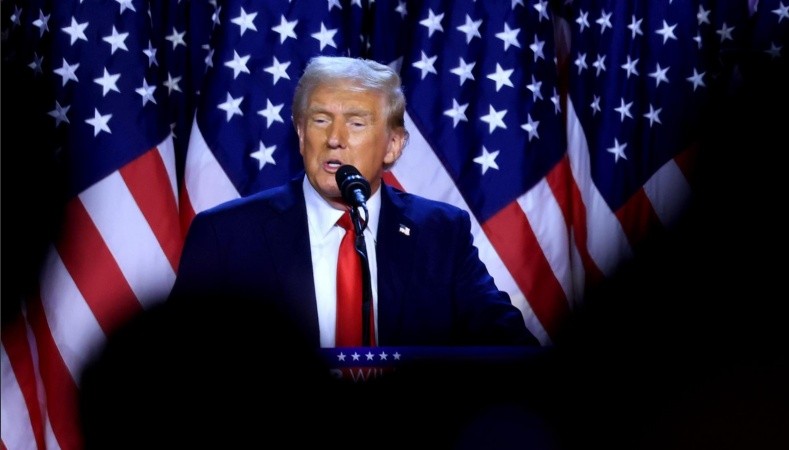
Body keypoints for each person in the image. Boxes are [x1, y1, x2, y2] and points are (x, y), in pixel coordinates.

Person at [169, 55, 538, 348]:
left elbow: (509, 348)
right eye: (319, 120)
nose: (335, 138)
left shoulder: (440, 233)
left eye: (357, 123)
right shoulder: (227, 235)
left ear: (393, 145)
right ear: (300, 134)